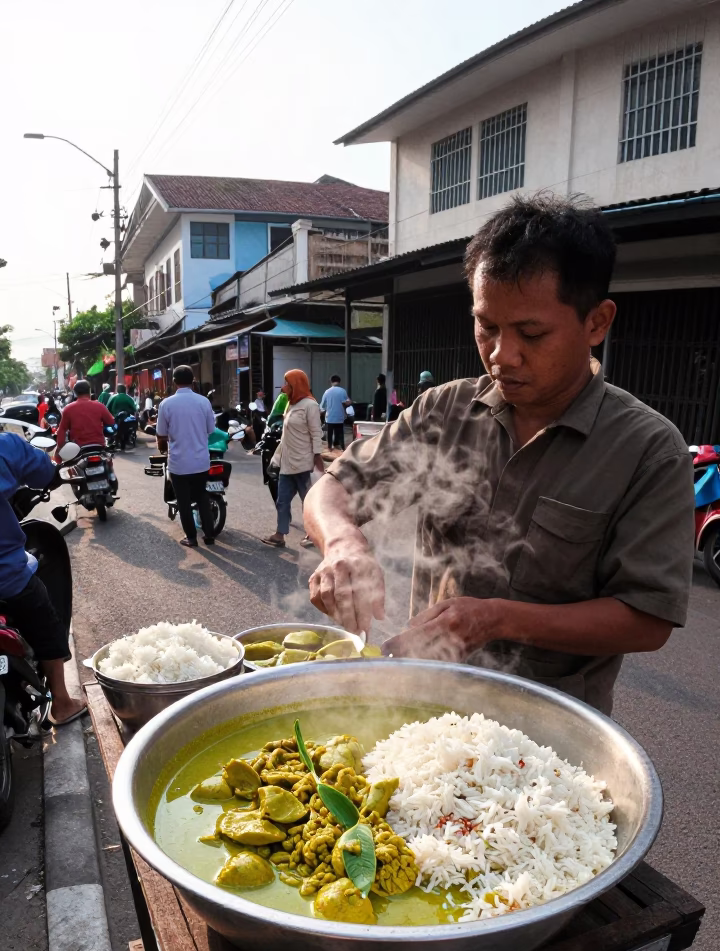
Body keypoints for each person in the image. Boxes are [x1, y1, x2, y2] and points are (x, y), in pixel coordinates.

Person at [304, 194, 695, 717]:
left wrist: (496, 619)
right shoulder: (445, 411)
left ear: (597, 322)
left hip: (551, 725)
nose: (501, 355)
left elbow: (647, 618)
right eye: (486, 326)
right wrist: (342, 542)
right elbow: (333, 488)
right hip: (426, 702)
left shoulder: (648, 450)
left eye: (531, 333)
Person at [0, 434, 86, 725]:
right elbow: (45, 471)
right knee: (43, 617)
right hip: (6, 576)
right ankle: (61, 702)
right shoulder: (6, 444)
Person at [155, 364, 218, 548]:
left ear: (174, 382)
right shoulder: (204, 402)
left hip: (178, 463)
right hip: (200, 461)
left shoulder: (166, 404)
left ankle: (191, 538)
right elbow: (210, 429)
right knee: (202, 498)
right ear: (193, 381)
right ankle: (209, 536)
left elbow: (161, 433)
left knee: (183, 502)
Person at [262, 370, 323, 549]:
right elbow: (286, 436)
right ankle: (280, 535)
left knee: (309, 502)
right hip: (287, 463)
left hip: (305, 463)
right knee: (282, 500)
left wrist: (317, 458)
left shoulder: (310, 405)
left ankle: (313, 535)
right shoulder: (291, 404)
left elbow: (316, 434)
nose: (283, 387)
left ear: (296, 384)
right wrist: (277, 459)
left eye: (287, 384)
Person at [54, 379, 114, 457]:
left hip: (77, 449)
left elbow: (61, 431)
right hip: (99, 447)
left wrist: (59, 449)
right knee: (108, 462)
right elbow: (111, 423)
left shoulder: (68, 409)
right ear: (89, 391)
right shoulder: (100, 406)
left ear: (75, 393)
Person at [320, 375, 351, 452]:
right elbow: (347, 403)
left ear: (331, 382)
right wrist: (350, 402)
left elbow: (322, 406)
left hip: (329, 417)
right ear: (339, 382)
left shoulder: (327, 392)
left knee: (329, 434)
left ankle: (330, 448)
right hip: (339, 417)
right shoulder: (342, 391)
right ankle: (342, 449)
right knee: (340, 434)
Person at [107, 383, 138, 451]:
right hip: (127, 418)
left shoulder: (113, 397)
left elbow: (107, 408)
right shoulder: (129, 398)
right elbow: (135, 408)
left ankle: (112, 441)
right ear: (125, 390)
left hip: (115, 418)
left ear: (117, 390)